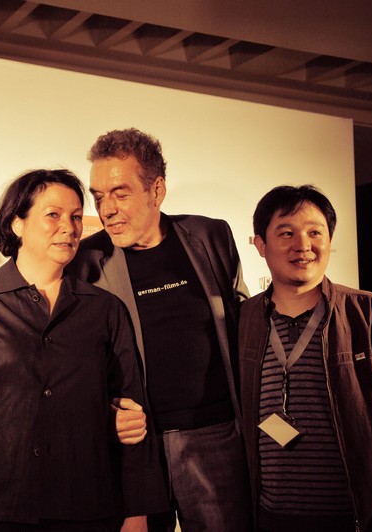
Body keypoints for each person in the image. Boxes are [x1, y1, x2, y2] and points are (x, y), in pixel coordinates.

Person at [0, 169, 167, 531]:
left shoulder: (106, 309)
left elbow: (132, 413)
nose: (69, 227)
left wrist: (137, 512)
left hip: (84, 508)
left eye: (76, 216)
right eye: (53, 214)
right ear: (17, 223)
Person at [67, 128, 251, 531]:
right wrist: (103, 410)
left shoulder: (211, 236)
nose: (107, 209)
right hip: (135, 448)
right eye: (98, 197)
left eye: (120, 193)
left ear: (157, 190)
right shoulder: (84, 262)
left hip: (215, 437)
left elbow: (244, 327)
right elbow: (72, 362)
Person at [240, 184, 372, 531]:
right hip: (269, 520)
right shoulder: (242, 322)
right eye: (286, 233)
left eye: (315, 232)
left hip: (359, 519)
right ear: (260, 245)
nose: (303, 245)